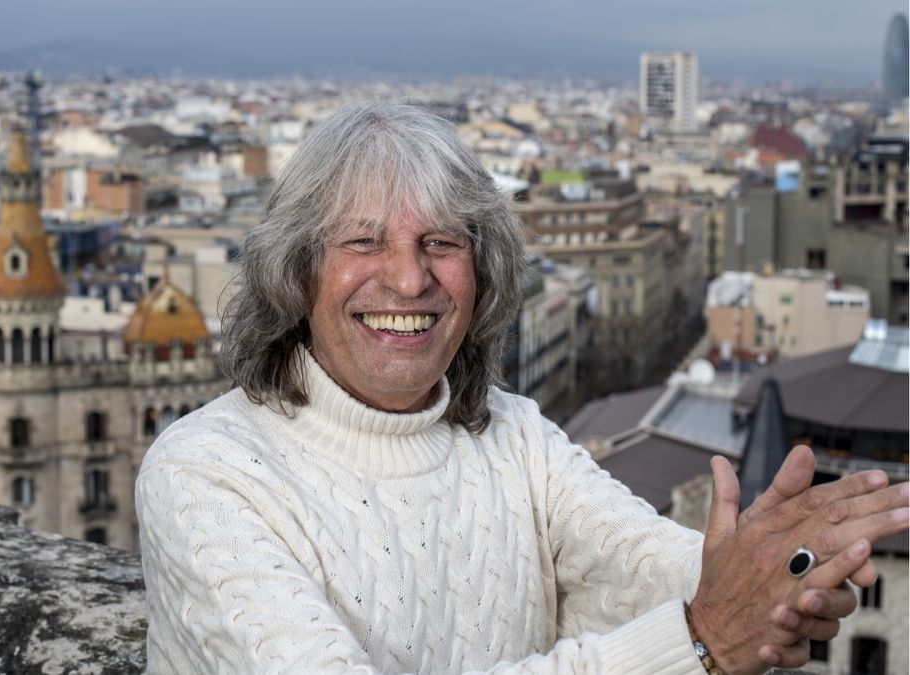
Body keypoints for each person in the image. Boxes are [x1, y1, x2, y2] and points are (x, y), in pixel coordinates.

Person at [136, 103, 908, 674]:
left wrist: (774, 576)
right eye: (364, 241)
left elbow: (636, 559)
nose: (409, 278)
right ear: (297, 270)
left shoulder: (513, 434)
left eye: (441, 242)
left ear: (482, 272)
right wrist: (702, 636)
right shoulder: (204, 473)